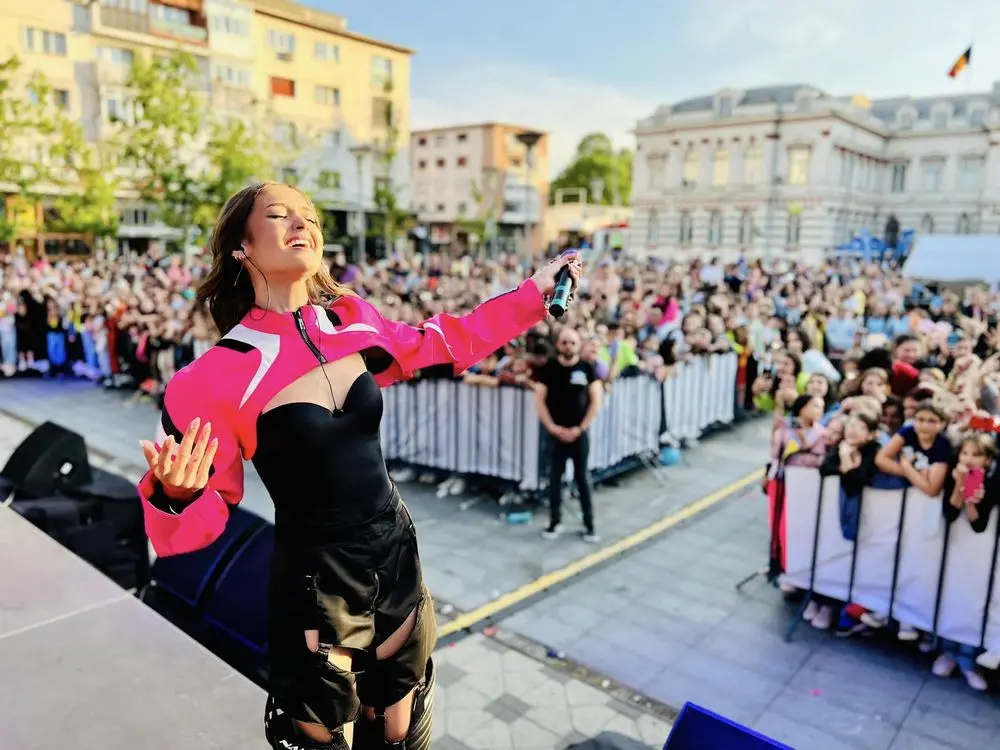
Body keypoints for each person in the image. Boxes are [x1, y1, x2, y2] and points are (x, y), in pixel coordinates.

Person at [135, 182, 582, 750]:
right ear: (241, 247)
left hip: (394, 549)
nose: (302, 224)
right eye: (279, 215)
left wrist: (532, 294)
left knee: (399, 732)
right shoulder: (210, 378)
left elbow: (444, 342)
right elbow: (192, 524)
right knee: (327, 736)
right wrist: (176, 494)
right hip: (316, 577)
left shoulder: (351, 321)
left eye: (310, 217)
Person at [533, 326, 603, 543]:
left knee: (582, 479)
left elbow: (596, 401)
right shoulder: (549, 368)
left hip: (579, 434)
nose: (568, 346)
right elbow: (539, 400)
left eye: (572, 342)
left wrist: (580, 428)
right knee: (555, 479)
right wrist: (552, 427)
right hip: (556, 434)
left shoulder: (587, 368)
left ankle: (589, 525)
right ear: (557, 344)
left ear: (579, 345)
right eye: (564, 342)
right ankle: (555, 522)